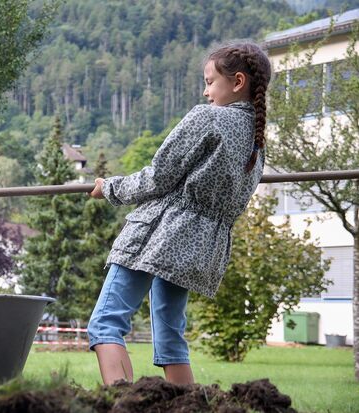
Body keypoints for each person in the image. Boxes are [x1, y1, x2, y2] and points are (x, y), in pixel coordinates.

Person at [88, 41, 271, 386]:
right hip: (199, 247)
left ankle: (125, 406)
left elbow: (158, 176)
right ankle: (187, 408)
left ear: (238, 82)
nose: (205, 92)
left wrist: (110, 187)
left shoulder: (208, 118)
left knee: (106, 323)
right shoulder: (256, 140)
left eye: (209, 82)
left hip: (159, 234)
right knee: (171, 336)